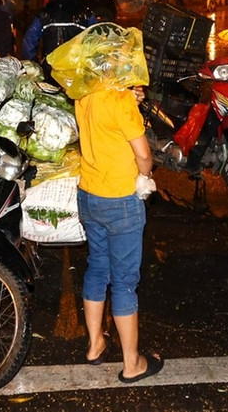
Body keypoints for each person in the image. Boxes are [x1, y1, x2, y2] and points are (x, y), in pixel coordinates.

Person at [75, 76, 164, 383]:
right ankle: (132, 363)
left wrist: (130, 98)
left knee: (97, 268)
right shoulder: (122, 101)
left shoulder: (83, 92)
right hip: (120, 201)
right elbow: (142, 153)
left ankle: (95, 344)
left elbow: (103, 123)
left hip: (88, 195)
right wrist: (146, 173)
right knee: (124, 282)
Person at [22, 0, 96, 75]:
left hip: (51, 68)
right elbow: (97, 39)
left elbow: (29, 41)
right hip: (76, 69)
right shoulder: (86, 13)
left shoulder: (45, 13)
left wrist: (34, 64)